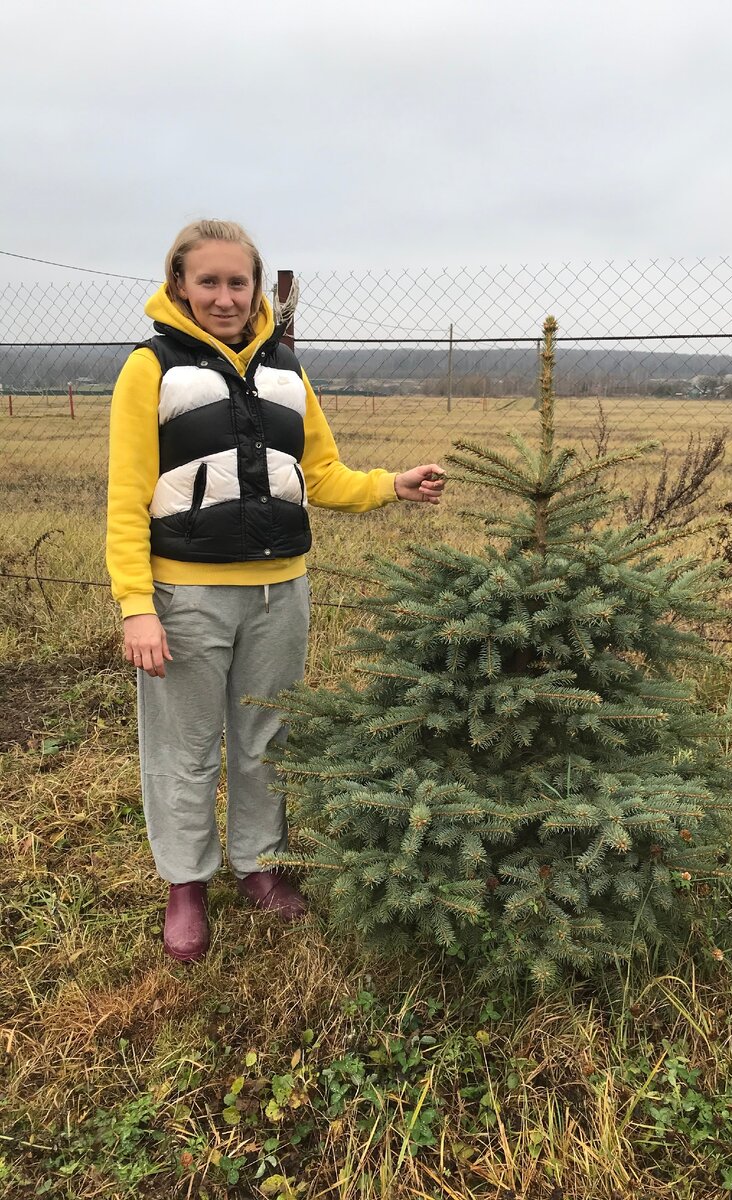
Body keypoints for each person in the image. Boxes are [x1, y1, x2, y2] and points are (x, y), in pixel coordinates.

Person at [106, 219, 445, 963]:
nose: (225, 297)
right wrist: (137, 607)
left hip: (281, 593)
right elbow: (126, 497)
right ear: (179, 286)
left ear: (258, 288)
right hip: (186, 596)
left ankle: (259, 864)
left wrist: (390, 485)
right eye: (209, 282)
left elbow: (319, 474)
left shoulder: (287, 369)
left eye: (239, 282)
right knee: (185, 747)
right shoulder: (151, 368)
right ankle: (186, 883)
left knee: (267, 738)